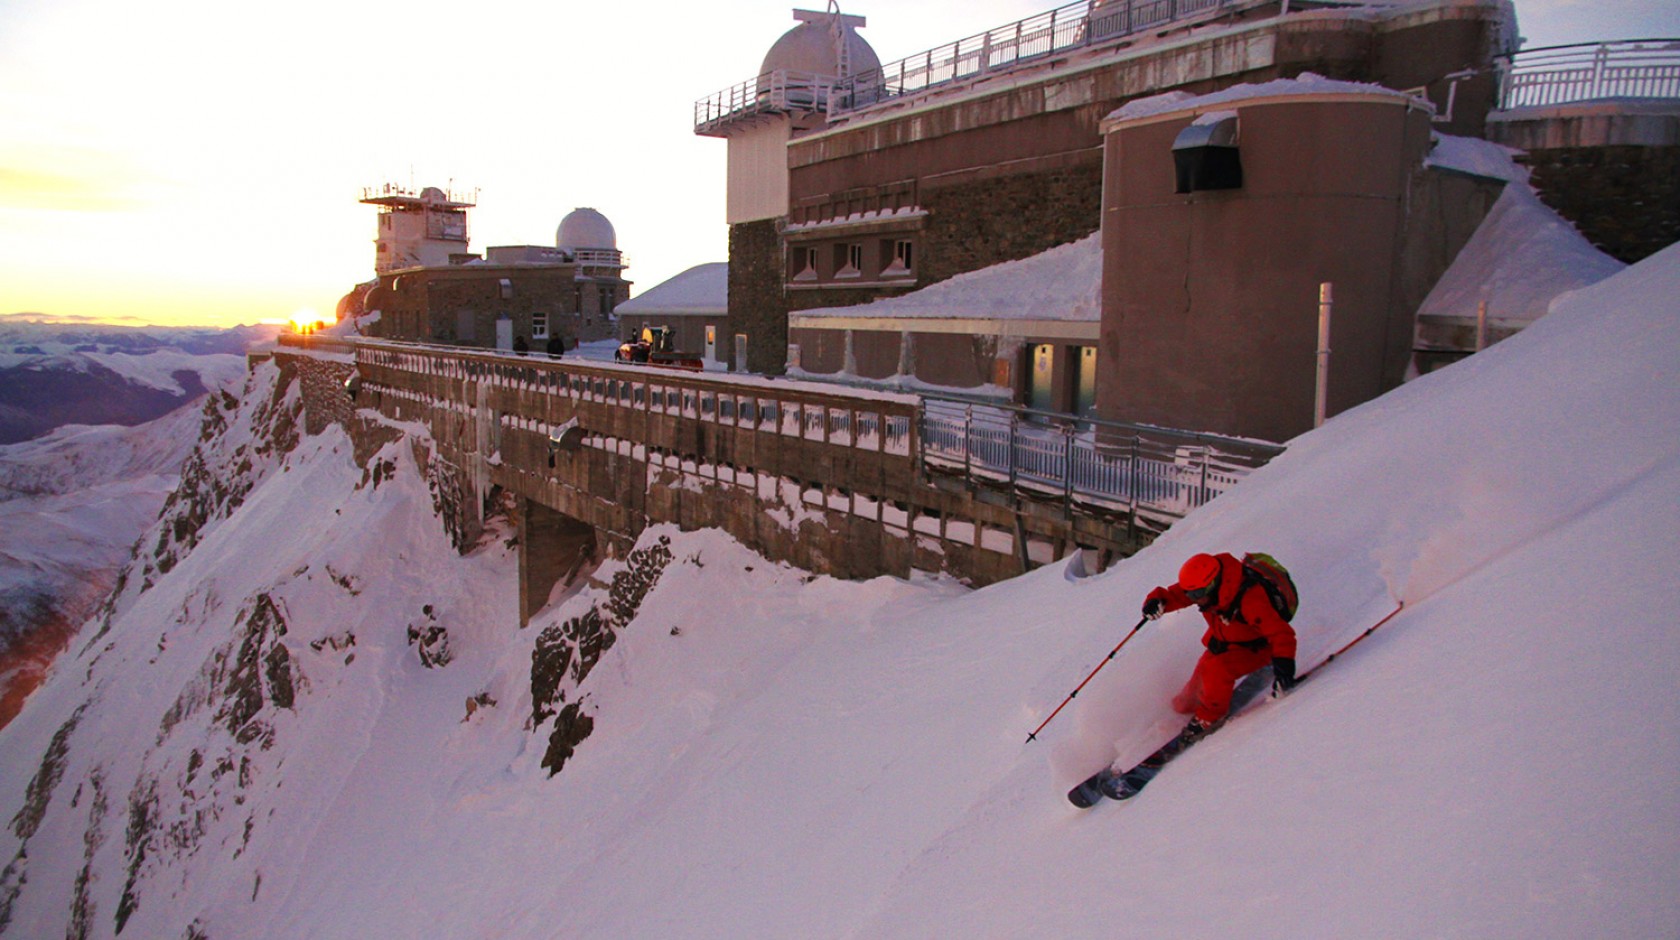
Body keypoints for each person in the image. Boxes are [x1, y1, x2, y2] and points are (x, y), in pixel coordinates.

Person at [1142, 551, 1298, 748]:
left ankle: (1210, 718)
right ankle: (1182, 710)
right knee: (1190, 694)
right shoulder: (1206, 590)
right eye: (1191, 593)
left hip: (1256, 650)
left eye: (1196, 594)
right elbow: (1177, 594)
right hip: (1225, 643)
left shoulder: (1251, 600)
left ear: (1212, 585)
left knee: (1218, 670)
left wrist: (1284, 667)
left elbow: (1281, 634)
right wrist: (1156, 601)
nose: (1192, 598)